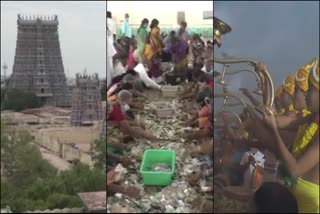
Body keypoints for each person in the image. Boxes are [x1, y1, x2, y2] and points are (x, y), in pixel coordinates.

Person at [262, 60, 319, 213]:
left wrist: (273, 130)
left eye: (311, 89)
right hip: (292, 186)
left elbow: (295, 170)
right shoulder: (312, 118)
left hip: (309, 205)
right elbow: (279, 122)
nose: (305, 94)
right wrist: (264, 79)